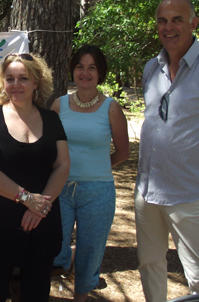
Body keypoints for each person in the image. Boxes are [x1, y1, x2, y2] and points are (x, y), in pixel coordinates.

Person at [135, 0, 199, 302]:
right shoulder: (151, 68)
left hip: (189, 193)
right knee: (149, 265)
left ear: (194, 23)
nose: (169, 27)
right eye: (162, 21)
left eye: (177, 19)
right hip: (146, 191)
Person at [0, 53, 71, 302]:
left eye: (23, 78)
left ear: (36, 82)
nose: (16, 85)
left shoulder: (51, 119)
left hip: (41, 223)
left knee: (36, 292)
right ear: (2, 83)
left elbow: (62, 165)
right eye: (10, 79)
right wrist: (27, 199)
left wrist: (40, 207)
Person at [51, 44, 130, 302]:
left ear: (100, 73)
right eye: (80, 67)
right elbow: (48, 147)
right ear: (72, 71)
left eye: (92, 68)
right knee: (56, 251)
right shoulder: (58, 105)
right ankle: (69, 257)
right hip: (60, 189)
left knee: (91, 251)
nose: (85, 73)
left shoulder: (112, 108)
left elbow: (123, 152)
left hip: (98, 192)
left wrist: (97, 168)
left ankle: (81, 296)